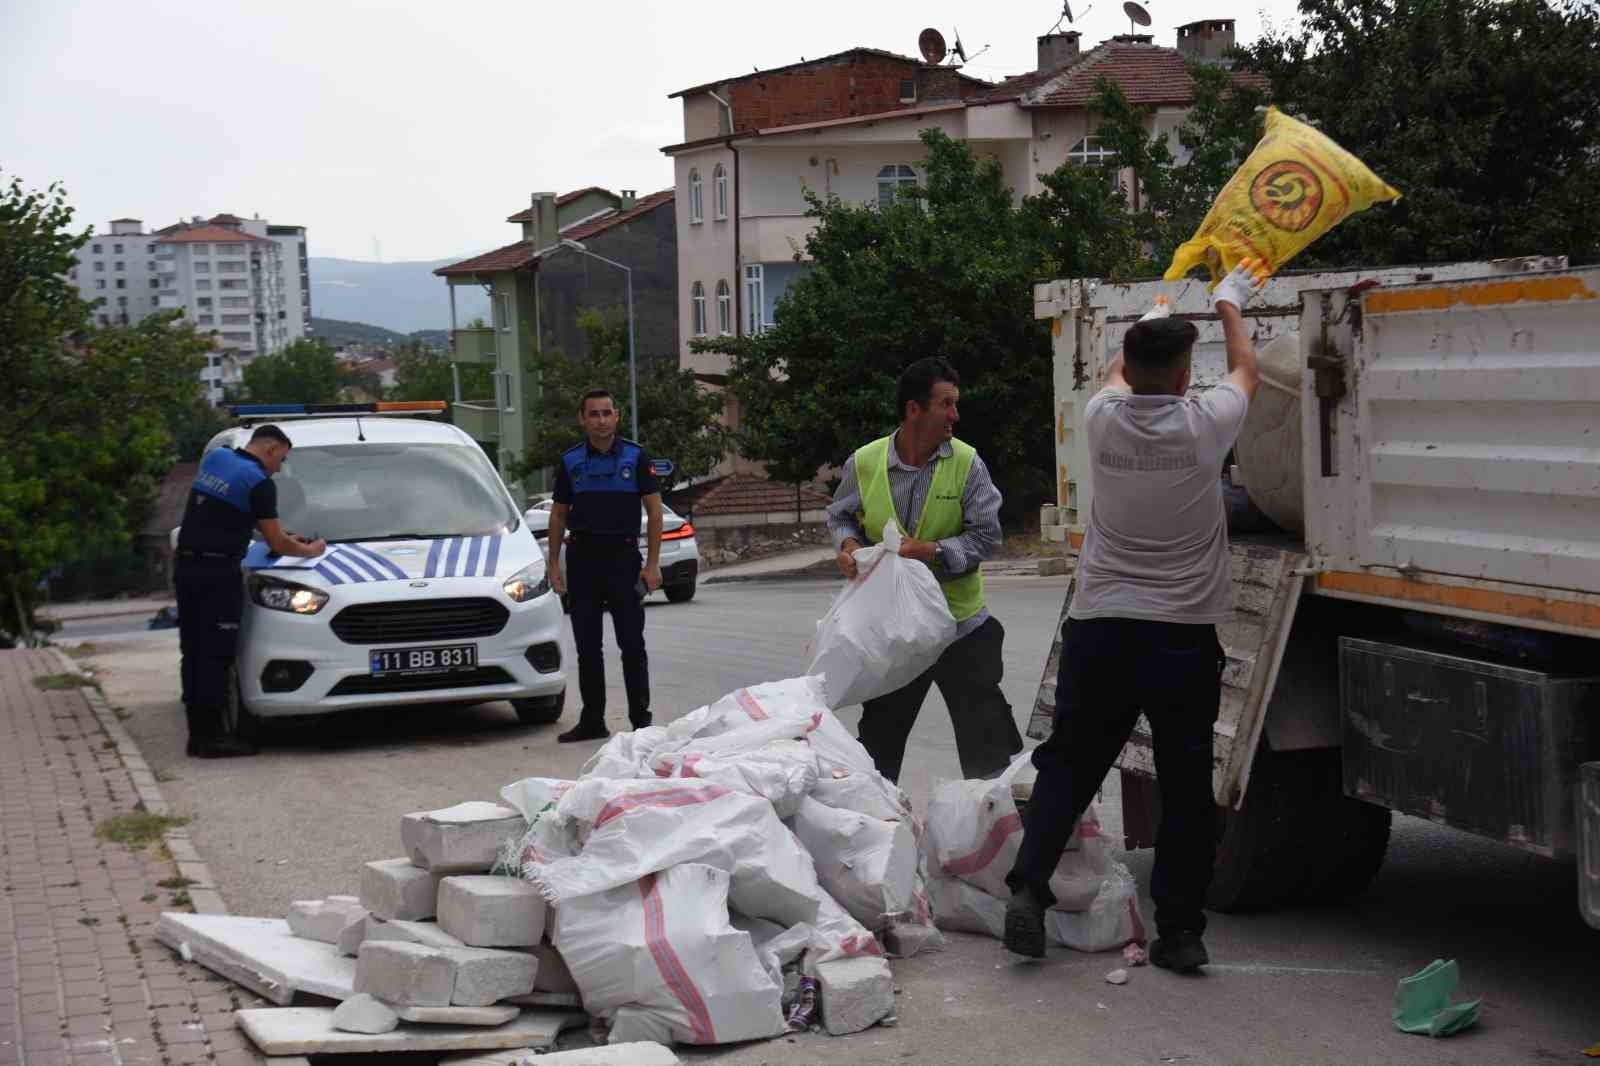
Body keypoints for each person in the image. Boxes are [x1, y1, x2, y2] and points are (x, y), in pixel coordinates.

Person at [1002, 260, 1269, 969]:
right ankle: (1179, 933)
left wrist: (1151, 317)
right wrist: (1228, 301)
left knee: (1070, 764)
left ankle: (1028, 888)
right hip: (1180, 640)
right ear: (1186, 376)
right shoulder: (1204, 424)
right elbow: (1246, 369)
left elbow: (1120, 371)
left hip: (1101, 629)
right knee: (1184, 786)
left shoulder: (1102, 419)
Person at [827, 357, 1023, 784]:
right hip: (897, 634)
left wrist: (932, 551)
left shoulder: (968, 463)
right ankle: (878, 833)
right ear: (914, 409)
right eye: (946, 404)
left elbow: (987, 537)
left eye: (956, 404)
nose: (956, 415)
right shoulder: (864, 462)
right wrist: (847, 545)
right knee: (878, 749)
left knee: (987, 747)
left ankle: (992, 835)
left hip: (961, 629)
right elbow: (840, 515)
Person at [175, 424, 325, 758]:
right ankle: (213, 740)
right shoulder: (260, 483)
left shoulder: (217, 459)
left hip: (187, 568)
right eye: (281, 459)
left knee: (194, 652)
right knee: (216, 656)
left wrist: (287, 536)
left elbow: (232, 509)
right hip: (218, 573)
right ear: (271, 449)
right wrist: (310, 550)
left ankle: (197, 736)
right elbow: (274, 542)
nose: (280, 468)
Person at [547, 388, 663, 743]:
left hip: (624, 560)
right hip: (583, 561)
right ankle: (592, 720)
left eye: (606, 413)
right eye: (593, 414)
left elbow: (655, 511)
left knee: (632, 645)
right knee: (587, 648)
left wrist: (653, 564)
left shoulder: (636, 456)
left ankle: (641, 722)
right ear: (582, 419)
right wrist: (554, 565)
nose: (600, 420)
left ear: (617, 416)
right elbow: (558, 515)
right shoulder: (569, 462)